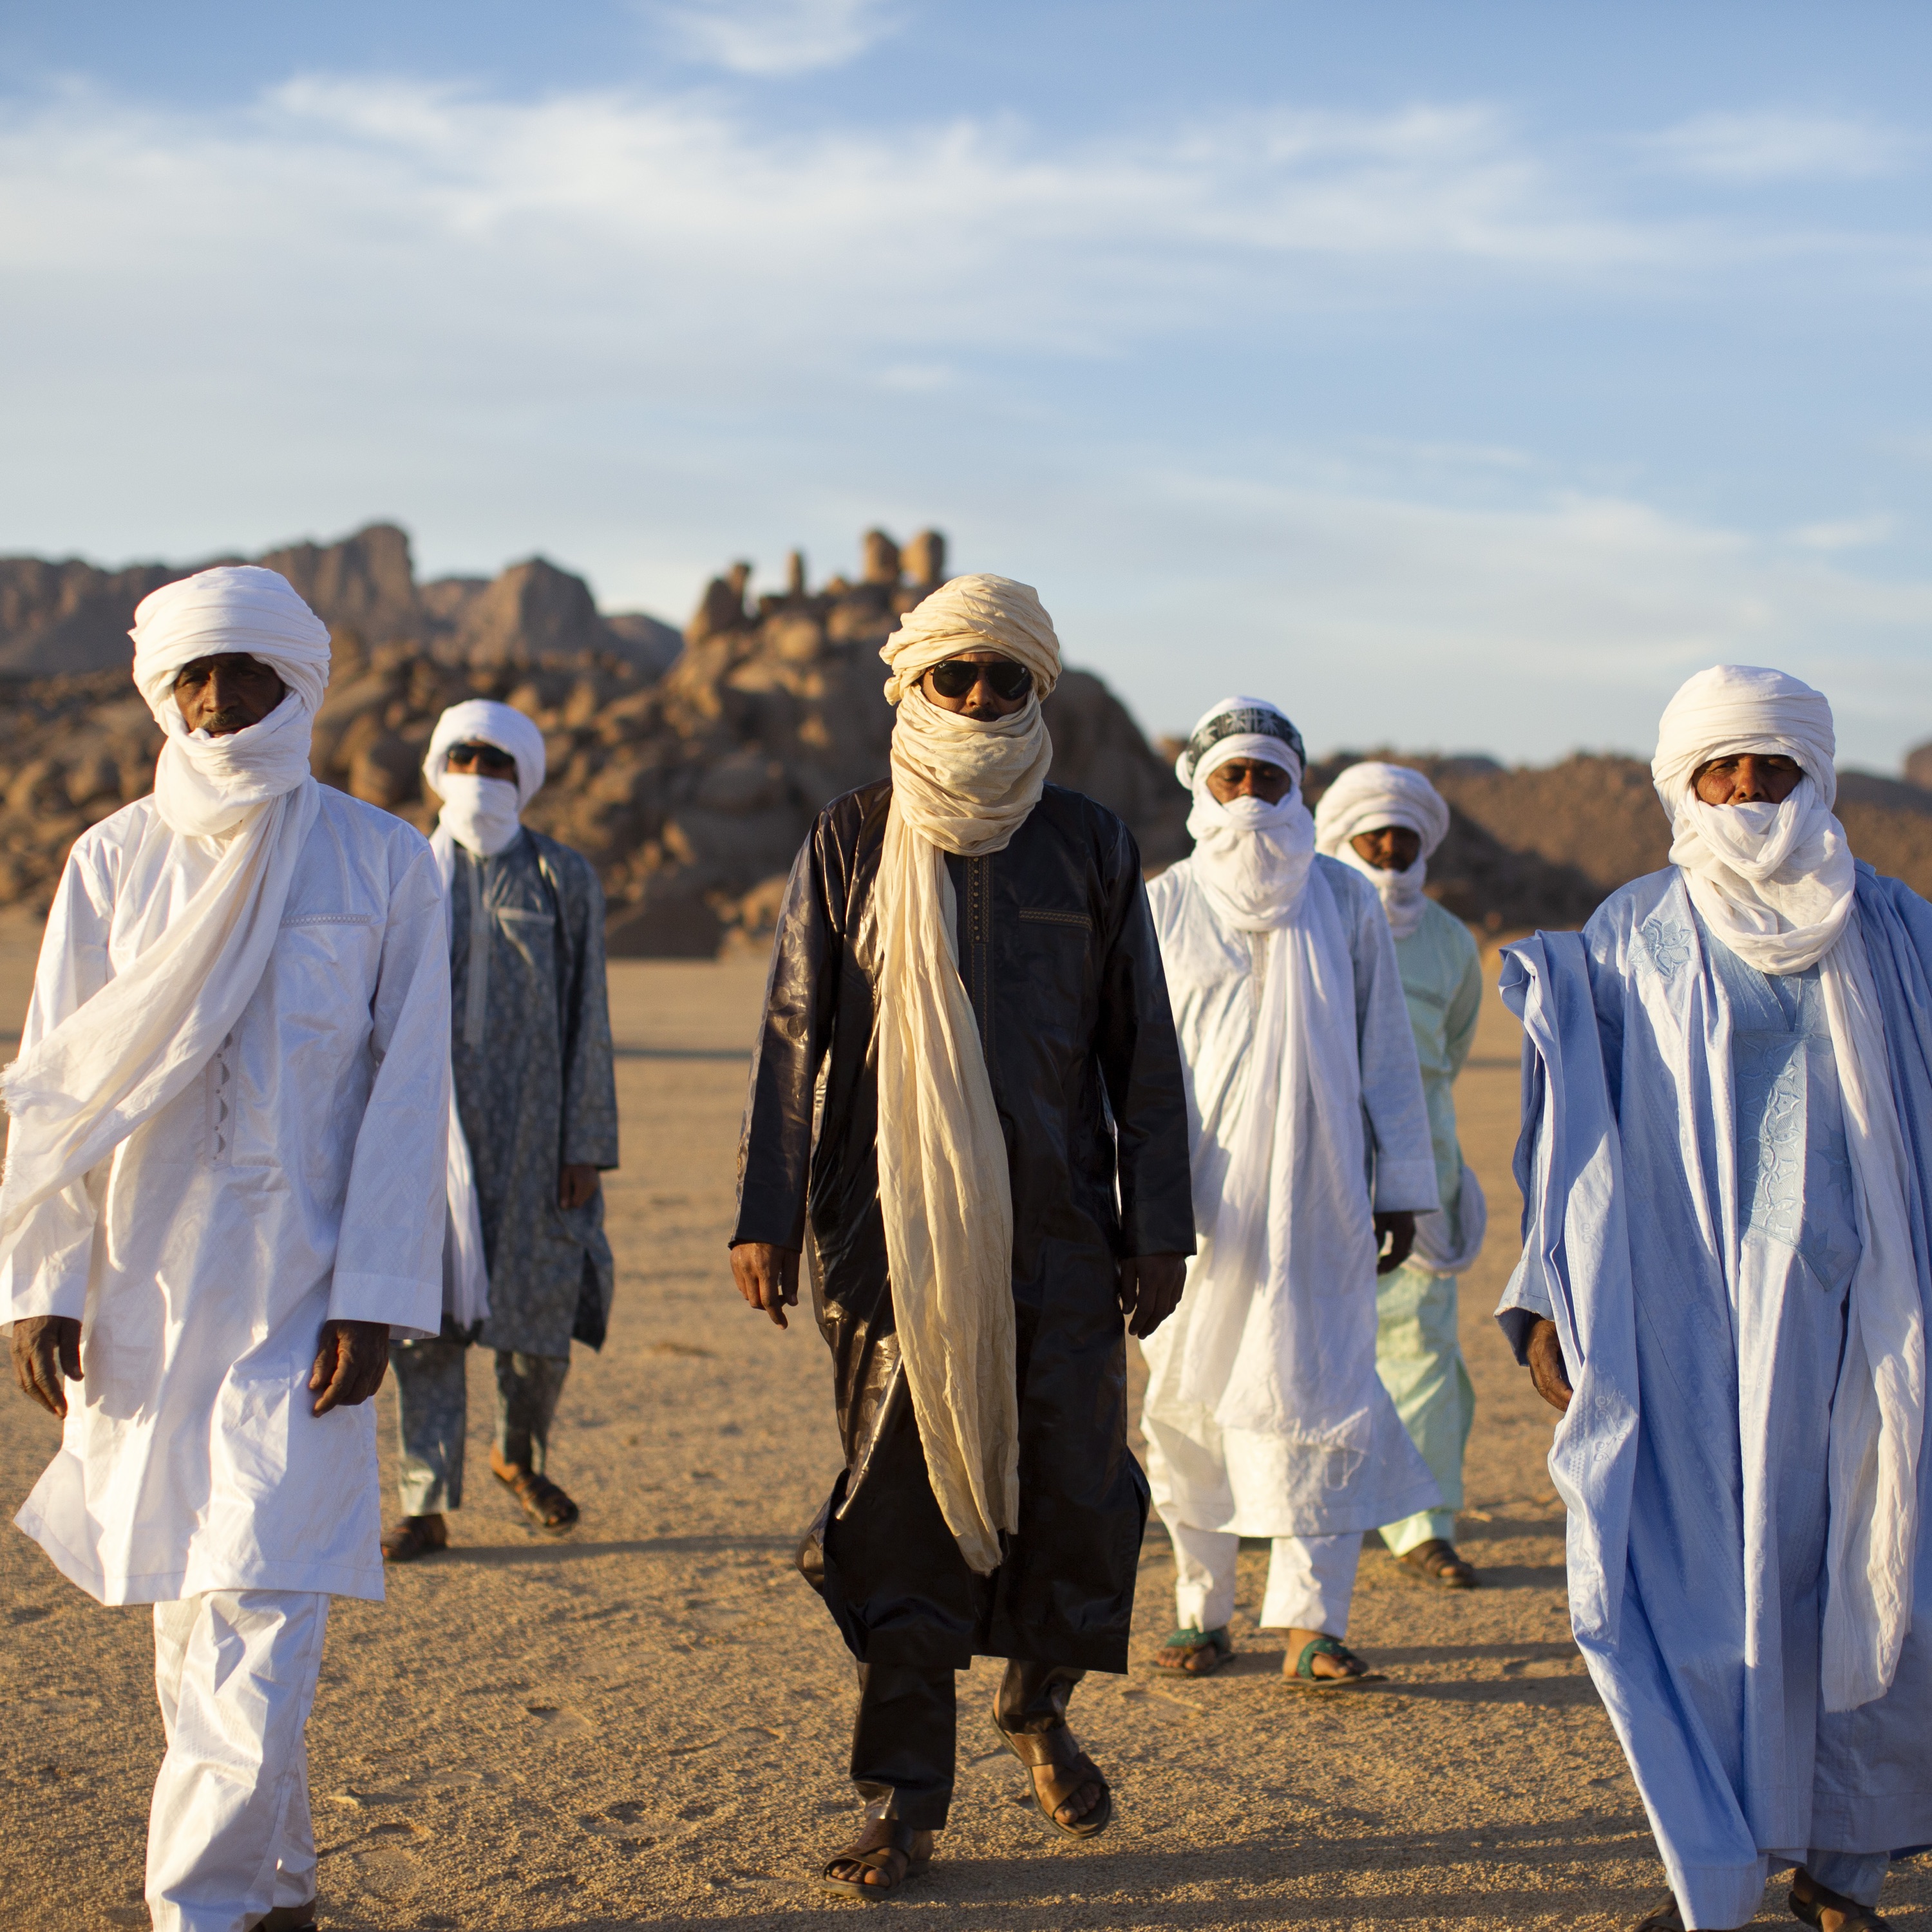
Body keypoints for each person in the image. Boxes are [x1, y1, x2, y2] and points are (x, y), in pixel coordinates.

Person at [729, 574, 1194, 1897]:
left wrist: (1156, 1226)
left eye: (1007, 678)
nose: (982, 698)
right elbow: (790, 1042)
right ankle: (904, 1801)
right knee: (899, 1509)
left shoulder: (1095, 844)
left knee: (1084, 1497)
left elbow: (1139, 1051)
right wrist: (766, 1214)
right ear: (912, 684)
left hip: (1059, 1229)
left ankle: (1038, 1705)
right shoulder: (851, 836)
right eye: (957, 676)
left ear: (1039, 688)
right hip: (887, 1233)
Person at [2, 567, 450, 1932]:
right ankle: (279, 1885)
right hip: (141, 1292)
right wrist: (38, 1283)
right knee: (195, 1615)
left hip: (303, 1298)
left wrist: (375, 1297)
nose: (215, 700)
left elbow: (407, 1092)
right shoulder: (111, 861)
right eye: (193, 676)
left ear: (296, 686)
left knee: (262, 1597)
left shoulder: (382, 860)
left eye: (243, 674)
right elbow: (57, 1087)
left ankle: (196, 1909)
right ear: (163, 690)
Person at [1501, 666, 1932, 1932]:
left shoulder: (1900, 931)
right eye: (1721, 771)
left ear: (1818, 775)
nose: (1748, 792)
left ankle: (1841, 1873)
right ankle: (1723, 1871)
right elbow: (1567, 1134)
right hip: (1688, 1326)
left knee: (1865, 1569)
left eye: (1774, 768)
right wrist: (1545, 1300)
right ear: (1680, 786)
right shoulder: (1631, 933)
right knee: (1699, 1591)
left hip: (1877, 1319)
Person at [1139, 700, 1441, 1687]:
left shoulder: (1346, 901)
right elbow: (1128, 1069)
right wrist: (1131, 1203)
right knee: (1193, 1398)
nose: (1254, 796)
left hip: (1321, 1201)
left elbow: (1386, 1053)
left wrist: (1399, 1186)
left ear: (1298, 786)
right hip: (1196, 1203)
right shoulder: (1163, 904)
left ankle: (1315, 1623)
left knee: (1322, 1388)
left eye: (1271, 777)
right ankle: (1200, 1612)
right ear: (1202, 788)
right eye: (1235, 777)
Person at [382, 700, 618, 1557]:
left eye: (497, 761)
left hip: (537, 1135)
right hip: (424, 1133)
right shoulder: (405, 869)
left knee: (537, 1319)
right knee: (423, 1323)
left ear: (526, 776)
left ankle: (518, 1458)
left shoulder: (563, 877)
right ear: (439, 768)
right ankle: (423, 1499)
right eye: (464, 757)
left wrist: (585, 1141)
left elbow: (589, 1012)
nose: (479, 774)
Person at [1314, 761, 1486, 1589]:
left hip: (1419, 1171)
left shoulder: (1452, 943)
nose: (1388, 849)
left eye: (1402, 837)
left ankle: (1423, 1523)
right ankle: (1284, 1507)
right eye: (1372, 835)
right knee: (1297, 1343)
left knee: (1419, 1344)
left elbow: (1448, 1053)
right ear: (1337, 838)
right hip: (1309, 1171)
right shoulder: (1303, 918)